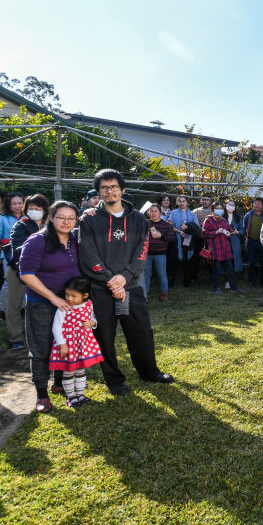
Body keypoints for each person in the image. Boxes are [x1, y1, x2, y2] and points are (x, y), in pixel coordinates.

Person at [79, 169, 174, 396]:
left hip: (130, 287)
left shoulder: (138, 219)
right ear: (99, 192)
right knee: (106, 336)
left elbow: (142, 251)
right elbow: (88, 253)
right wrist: (110, 281)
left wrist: (123, 278)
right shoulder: (89, 219)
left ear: (122, 189)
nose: (109, 191)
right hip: (101, 289)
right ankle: (114, 381)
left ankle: (149, 372)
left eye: (113, 186)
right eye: (104, 187)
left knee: (140, 331)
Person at [19, 201, 84, 413]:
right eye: (61, 217)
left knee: (63, 344)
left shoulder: (75, 239)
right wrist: (52, 298)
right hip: (42, 304)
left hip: (69, 304)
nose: (66, 222)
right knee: (41, 348)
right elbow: (26, 274)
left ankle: (59, 384)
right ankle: (41, 394)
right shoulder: (37, 241)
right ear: (51, 218)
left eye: (71, 218)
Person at [48, 276, 102, 408]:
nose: (69, 298)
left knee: (81, 370)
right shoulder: (64, 307)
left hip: (83, 344)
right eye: (67, 294)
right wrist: (62, 344)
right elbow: (56, 326)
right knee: (69, 371)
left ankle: (81, 395)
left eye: (74, 296)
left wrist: (92, 323)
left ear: (85, 295)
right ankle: (71, 397)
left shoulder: (89, 304)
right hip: (68, 344)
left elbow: (93, 317)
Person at [3, 194, 49, 351]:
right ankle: (15, 337)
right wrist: (41, 246)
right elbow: (17, 248)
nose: (34, 211)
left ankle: (39, 336)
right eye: (31, 208)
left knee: (39, 305)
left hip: (43, 272)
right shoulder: (21, 225)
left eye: (38, 208)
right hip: (19, 270)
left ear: (45, 210)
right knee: (14, 304)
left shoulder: (50, 225)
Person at [0, 192, 23, 322]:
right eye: (13, 203)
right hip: (9, 254)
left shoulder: (28, 217)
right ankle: (1, 309)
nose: (17, 206)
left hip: (27, 254)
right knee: (8, 282)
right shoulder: (2, 218)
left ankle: (23, 307)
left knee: (27, 281)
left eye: (19, 203)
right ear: (8, 205)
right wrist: (5, 241)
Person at [202, 200, 244, 294]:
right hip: (215, 248)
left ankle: (234, 287)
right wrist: (216, 232)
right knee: (216, 269)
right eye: (217, 208)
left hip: (225, 248)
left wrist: (229, 233)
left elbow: (229, 230)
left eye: (221, 208)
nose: (219, 210)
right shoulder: (208, 220)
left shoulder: (224, 220)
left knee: (229, 269)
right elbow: (204, 233)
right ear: (213, 209)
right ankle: (216, 287)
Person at [143, 204, 174, 300]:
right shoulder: (145, 223)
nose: (153, 213)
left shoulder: (167, 225)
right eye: (151, 211)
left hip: (160, 254)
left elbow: (172, 239)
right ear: (148, 213)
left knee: (162, 275)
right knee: (146, 275)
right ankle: (145, 294)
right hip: (147, 254)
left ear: (160, 213)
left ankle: (164, 293)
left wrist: (161, 236)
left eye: (156, 211)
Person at [170, 195, 200, 287]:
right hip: (176, 238)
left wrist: (187, 226)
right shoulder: (173, 212)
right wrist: (179, 231)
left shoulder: (192, 214)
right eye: (180, 201)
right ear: (177, 202)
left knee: (187, 260)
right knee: (174, 260)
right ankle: (171, 282)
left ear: (187, 202)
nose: (182, 203)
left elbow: (197, 227)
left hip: (188, 238)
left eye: (184, 201)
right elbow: (169, 225)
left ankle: (186, 281)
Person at [243, 197, 263, 288]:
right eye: (255, 203)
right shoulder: (248, 215)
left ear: (262, 206)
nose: (257, 205)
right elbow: (244, 227)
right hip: (251, 241)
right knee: (251, 262)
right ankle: (252, 281)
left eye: (259, 203)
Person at [225, 198, 245, 279]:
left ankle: (232, 278)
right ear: (225, 205)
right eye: (229, 204)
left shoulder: (238, 217)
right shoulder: (221, 216)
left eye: (232, 205)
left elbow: (243, 230)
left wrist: (238, 232)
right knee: (225, 259)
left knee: (233, 259)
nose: (231, 206)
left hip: (234, 241)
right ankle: (225, 278)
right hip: (223, 240)